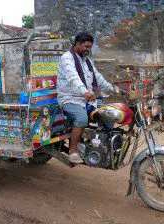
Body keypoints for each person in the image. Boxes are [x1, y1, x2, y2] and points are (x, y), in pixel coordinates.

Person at [57, 32, 118, 164]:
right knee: (82, 118)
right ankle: (73, 151)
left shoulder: (87, 61)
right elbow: (73, 78)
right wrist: (85, 92)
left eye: (90, 47)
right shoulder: (67, 58)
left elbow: (98, 78)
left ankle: (103, 145)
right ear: (77, 44)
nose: (88, 50)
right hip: (70, 99)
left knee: (109, 113)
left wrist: (114, 90)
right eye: (86, 47)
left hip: (87, 99)